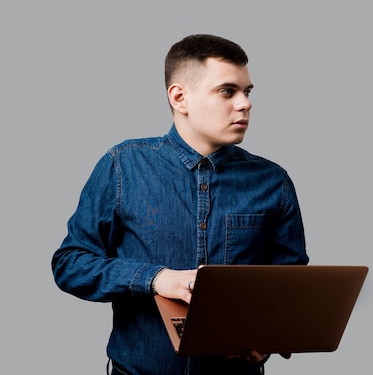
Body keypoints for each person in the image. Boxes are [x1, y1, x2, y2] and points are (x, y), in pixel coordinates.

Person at [51, 34, 309, 375]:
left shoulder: (273, 181)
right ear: (179, 97)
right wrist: (155, 279)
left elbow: (290, 285)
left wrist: (268, 341)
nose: (245, 104)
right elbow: (70, 264)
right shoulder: (122, 165)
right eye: (227, 91)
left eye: (247, 92)